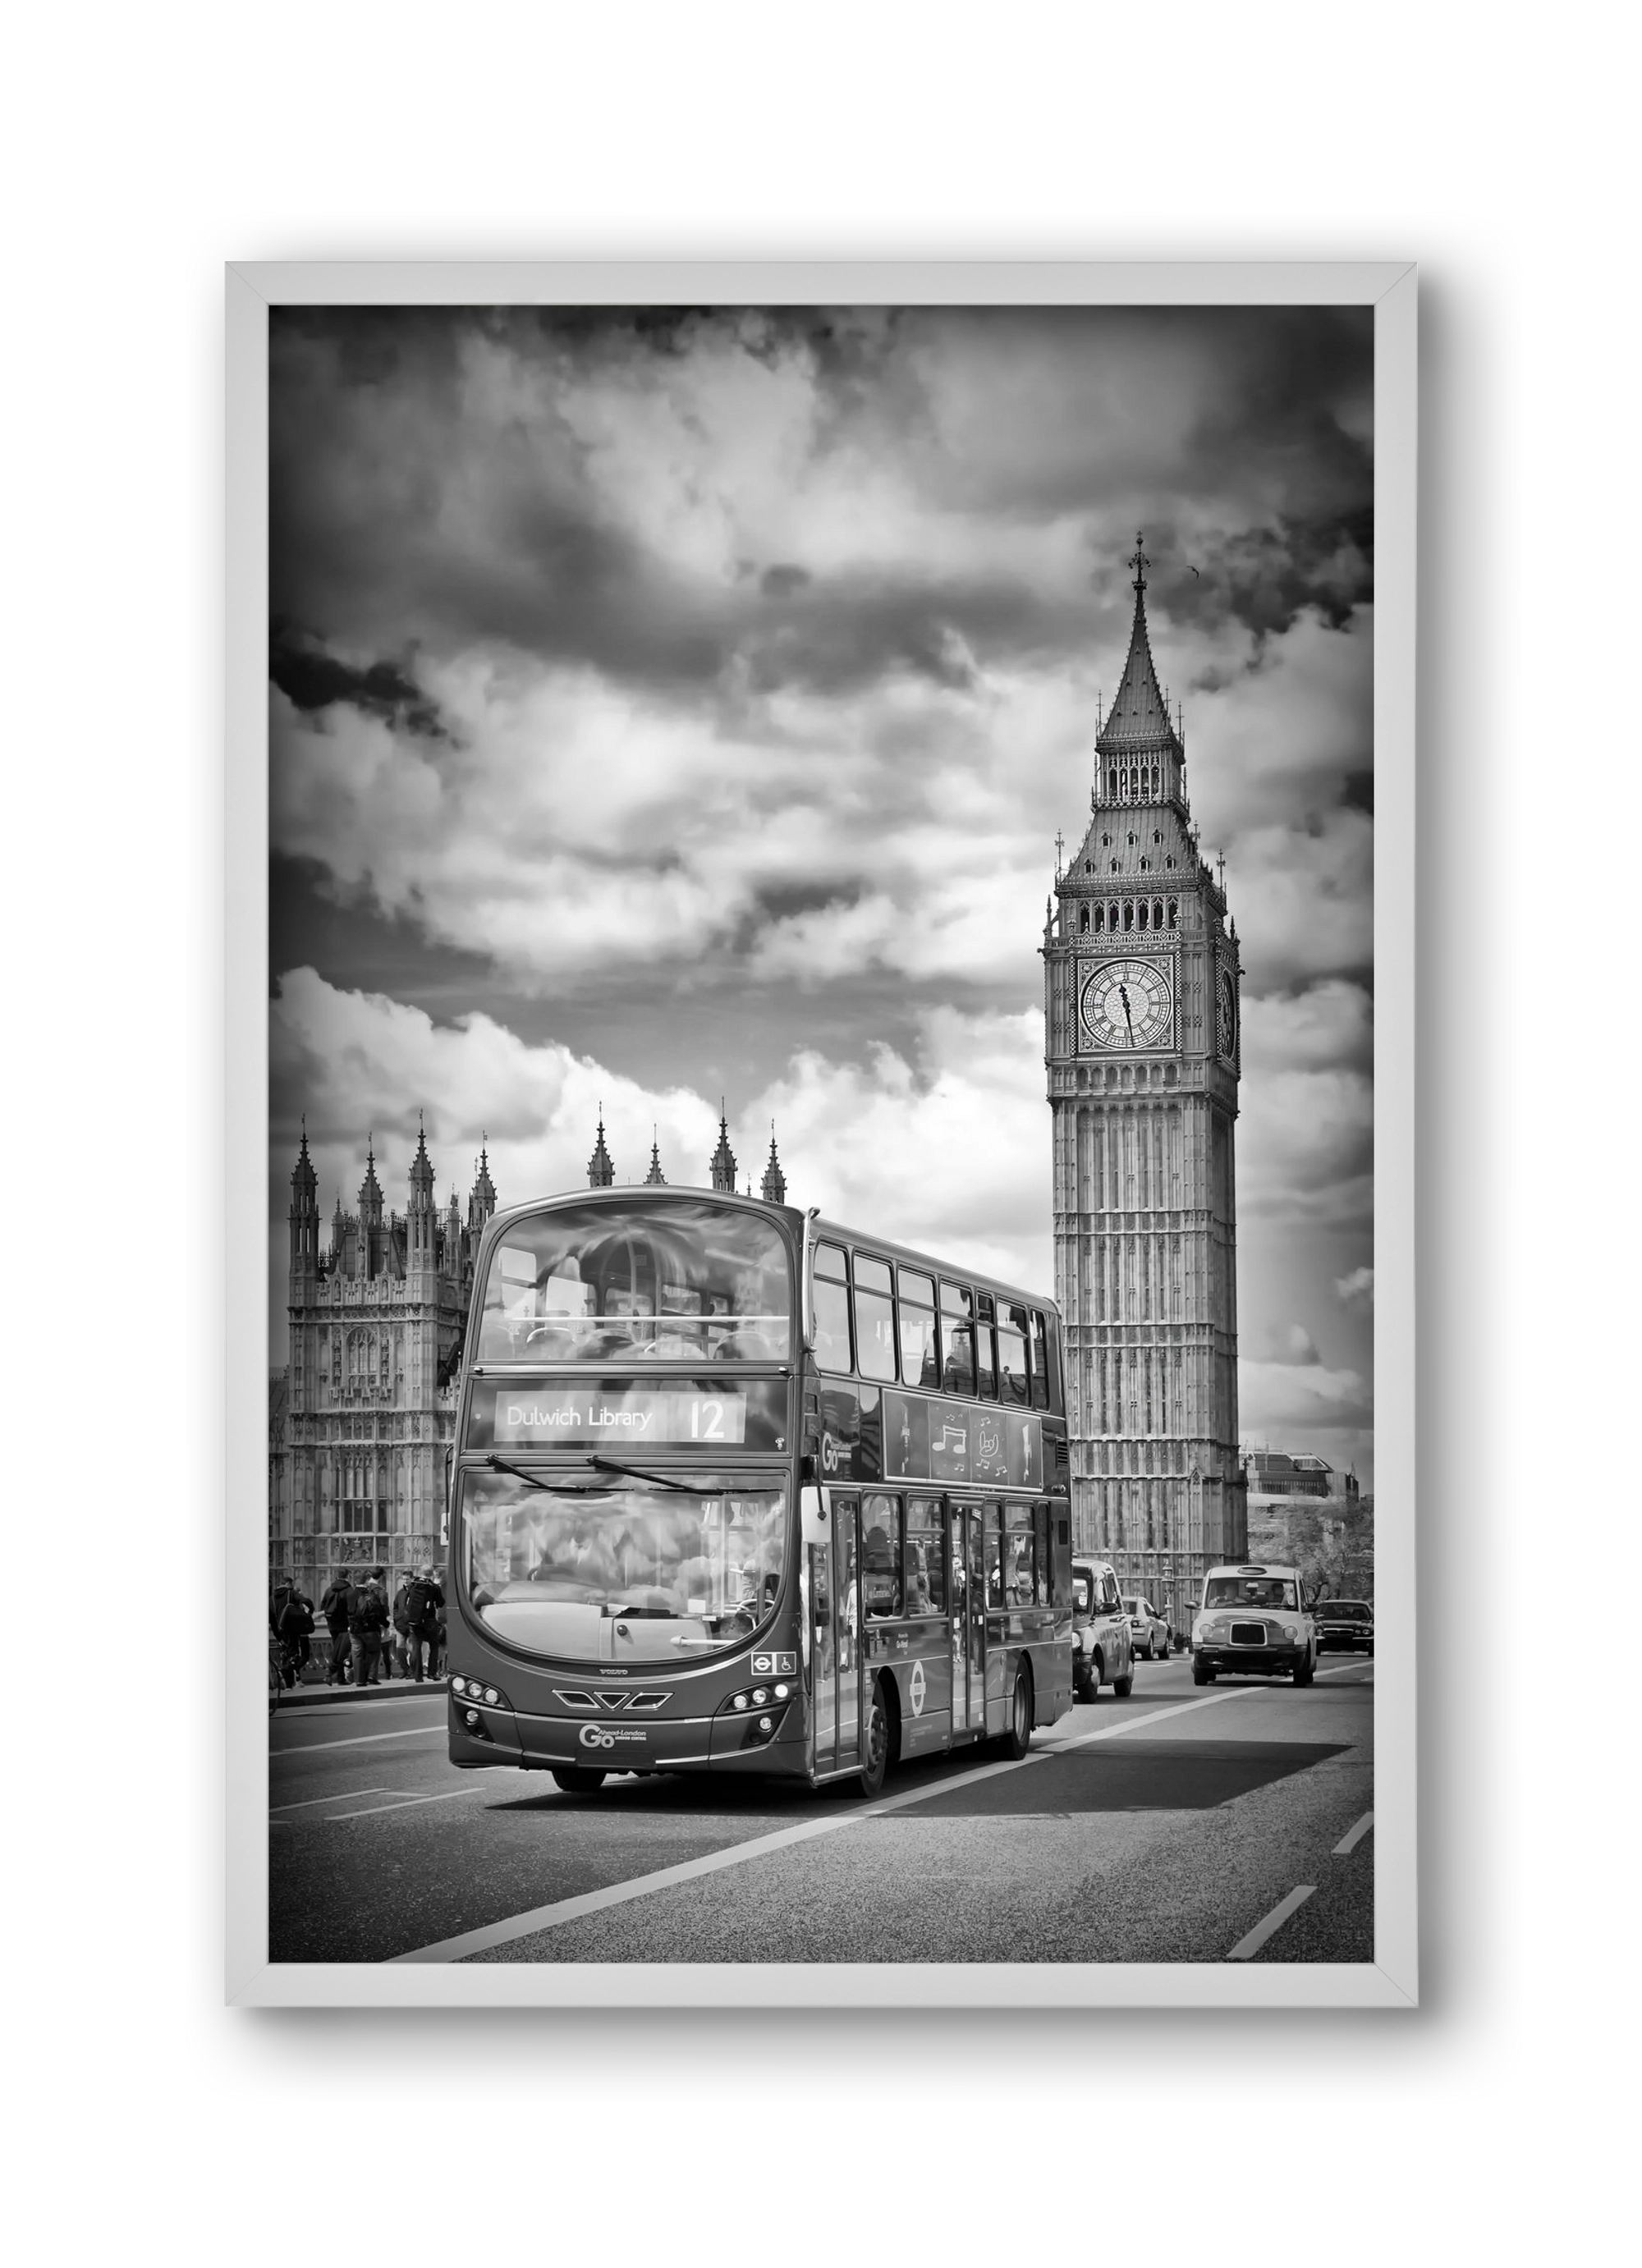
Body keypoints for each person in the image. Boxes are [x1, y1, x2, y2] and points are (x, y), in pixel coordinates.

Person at [346, 1566, 389, 1688]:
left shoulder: (349, 1594)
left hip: (354, 1629)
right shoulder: (370, 1595)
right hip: (369, 1629)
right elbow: (378, 1612)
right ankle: (371, 1676)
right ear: (366, 1581)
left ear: (354, 1581)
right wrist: (386, 1624)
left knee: (357, 1654)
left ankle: (359, 1680)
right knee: (374, 1651)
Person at [402, 1563, 445, 1684]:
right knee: (434, 1645)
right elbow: (441, 1603)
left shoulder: (413, 1584)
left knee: (416, 1647)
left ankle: (418, 1676)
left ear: (421, 1572)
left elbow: (407, 1601)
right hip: (429, 1621)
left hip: (414, 1622)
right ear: (432, 1574)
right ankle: (432, 1673)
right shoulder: (434, 1587)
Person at [318, 1569, 355, 1684]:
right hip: (344, 1625)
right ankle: (331, 1674)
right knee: (342, 1652)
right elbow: (352, 1610)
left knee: (337, 1649)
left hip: (332, 1625)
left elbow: (323, 1606)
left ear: (336, 1576)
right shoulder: (349, 1591)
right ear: (348, 1576)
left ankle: (340, 1678)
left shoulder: (329, 1590)